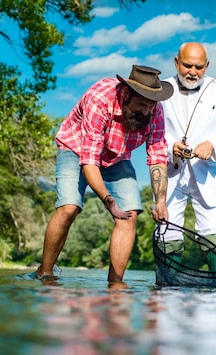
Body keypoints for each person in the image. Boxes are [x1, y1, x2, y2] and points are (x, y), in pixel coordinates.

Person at [35, 65, 173, 287]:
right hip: (76, 148)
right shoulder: (99, 99)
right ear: (127, 94)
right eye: (142, 105)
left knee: (129, 213)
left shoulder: (155, 110)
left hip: (118, 156)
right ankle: (45, 272)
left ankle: (116, 283)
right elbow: (90, 161)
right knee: (69, 207)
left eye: (151, 106)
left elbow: (157, 157)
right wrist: (108, 200)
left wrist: (161, 201)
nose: (147, 112)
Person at [159, 42, 216, 284]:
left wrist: (212, 145)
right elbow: (153, 131)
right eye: (187, 65)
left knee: (213, 230)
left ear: (207, 66)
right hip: (171, 172)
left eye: (199, 67)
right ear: (176, 62)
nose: (192, 71)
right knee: (167, 231)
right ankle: (165, 291)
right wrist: (171, 145)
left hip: (208, 172)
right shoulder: (161, 89)